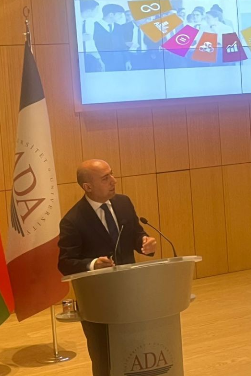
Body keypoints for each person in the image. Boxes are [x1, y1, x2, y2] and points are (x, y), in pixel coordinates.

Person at [58, 159, 158, 376]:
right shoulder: (73, 220)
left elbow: (136, 233)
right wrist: (93, 264)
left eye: (112, 174)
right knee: (104, 359)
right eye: (105, 178)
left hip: (131, 292)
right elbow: (65, 262)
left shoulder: (123, 203)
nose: (114, 181)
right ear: (88, 186)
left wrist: (145, 243)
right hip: (98, 301)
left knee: (135, 351)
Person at [94, 4, 129, 71]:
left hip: (120, 62)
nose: (121, 17)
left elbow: (122, 45)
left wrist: (127, 60)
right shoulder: (94, 26)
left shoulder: (119, 27)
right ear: (111, 15)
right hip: (103, 62)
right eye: (119, 14)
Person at [79, 0, 103, 72]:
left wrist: (98, 58)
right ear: (89, 11)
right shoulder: (71, 21)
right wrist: (79, 38)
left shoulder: (90, 22)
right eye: (96, 10)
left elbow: (91, 42)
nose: (98, 12)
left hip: (89, 58)